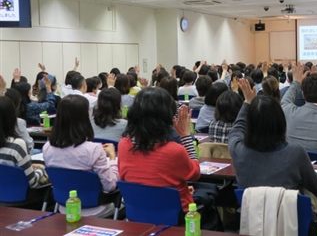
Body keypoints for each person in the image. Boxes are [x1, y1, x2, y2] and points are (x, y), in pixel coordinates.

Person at [228, 78, 317, 211]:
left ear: (250, 124)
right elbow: (314, 185)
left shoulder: (238, 150)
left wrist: (248, 102)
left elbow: (236, 129)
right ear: (281, 122)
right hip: (289, 220)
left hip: (253, 221)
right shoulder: (295, 152)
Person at [117, 88, 201, 216]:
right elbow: (194, 174)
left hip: (137, 212)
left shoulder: (123, 144)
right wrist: (185, 136)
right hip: (175, 214)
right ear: (167, 116)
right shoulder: (174, 150)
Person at [43, 94, 118, 217]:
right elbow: (110, 186)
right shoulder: (93, 149)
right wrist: (112, 158)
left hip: (64, 208)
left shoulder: (47, 148)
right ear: (84, 117)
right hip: (97, 209)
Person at [0, 95, 48, 189]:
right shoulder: (17, 144)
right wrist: (41, 170)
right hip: (21, 198)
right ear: (12, 118)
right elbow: (32, 182)